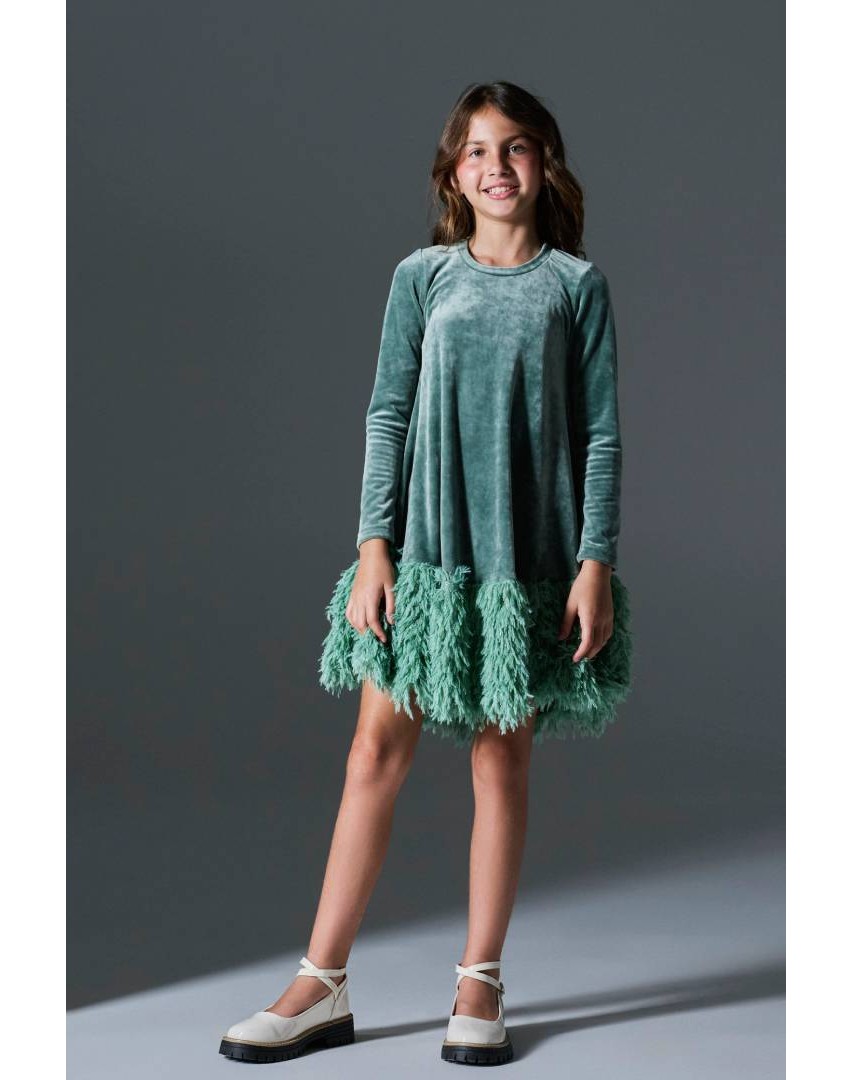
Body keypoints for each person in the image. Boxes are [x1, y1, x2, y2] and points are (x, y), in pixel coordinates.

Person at [219, 80, 633, 1067]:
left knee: (501, 761)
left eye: (516, 146)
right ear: (453, 174)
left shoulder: (575, 287)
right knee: (373, 753)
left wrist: (594, 563)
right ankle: (320, 982)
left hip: (524, 561)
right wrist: (374, 547)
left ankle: (478, 981)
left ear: (544, 164)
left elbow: (601, 435)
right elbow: (387, 413)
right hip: (424, 557)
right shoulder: (422, 277)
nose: (497, 165)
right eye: (477, 149)